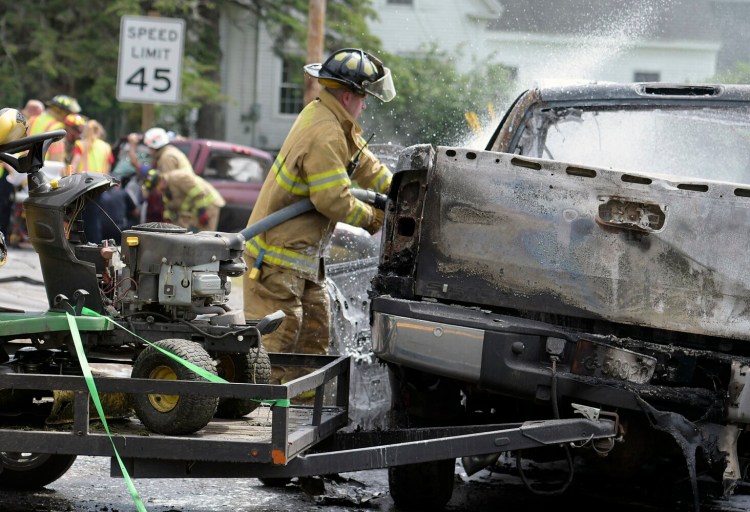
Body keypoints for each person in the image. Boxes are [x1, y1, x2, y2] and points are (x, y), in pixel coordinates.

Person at [242, 48, 396, 392]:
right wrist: (376, 220)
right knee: (279, 341)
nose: (365, 105)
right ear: (347, 95)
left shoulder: (332, 118)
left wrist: (403, 189)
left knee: (315, 333)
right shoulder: (325, 131)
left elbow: (365, 163)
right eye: (363, 97)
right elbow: (332, 199)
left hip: (301, 260)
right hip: (276, 260)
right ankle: (261, 411)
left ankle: (300, 408)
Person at [140, 127, 225, 231]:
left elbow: (198, 191)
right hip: (191, 202)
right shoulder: (171, 153)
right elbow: (170, 202)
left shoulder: (169, 164)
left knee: (206, 237)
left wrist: (202, 212)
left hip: (207, 203)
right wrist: (168, 218)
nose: (158, 191)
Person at [70, 119, 114, 243]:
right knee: (94, 218)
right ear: (99, 131)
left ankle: (81, 244)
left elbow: (74, 164)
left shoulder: (80, 144)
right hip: (99, 185)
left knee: (80, 217)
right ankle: (95, 244)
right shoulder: (106, 147)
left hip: (82, 185)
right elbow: (108, 167)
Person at [26, 94, 81, 163]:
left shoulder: (33, 119)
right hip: (40, 168)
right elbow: (56, 159)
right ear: (62, 112)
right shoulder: (58, 128)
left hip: (20, 166)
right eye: (69, 113)